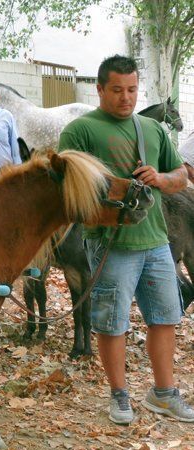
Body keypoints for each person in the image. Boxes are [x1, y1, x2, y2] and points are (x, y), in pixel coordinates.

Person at [58, 55, 192, 425]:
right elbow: (68, 191)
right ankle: (119, 396)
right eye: (117, 90)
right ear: (99, 89)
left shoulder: (152, 129)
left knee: (166, 318)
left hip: (155, 240)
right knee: (112, 323)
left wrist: (161, 180)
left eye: (132, 90)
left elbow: (181, 174)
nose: (126, 98)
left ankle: (163, 394)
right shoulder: (80, 131)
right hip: (110, 243)